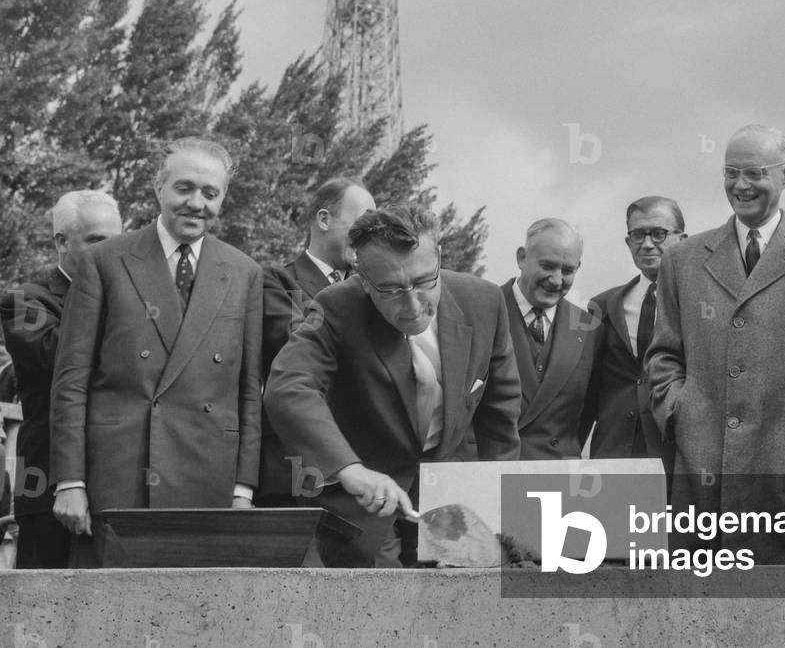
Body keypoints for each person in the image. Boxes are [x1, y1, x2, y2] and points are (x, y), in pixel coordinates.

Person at [647, 124, 785, 563]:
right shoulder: (683, 260)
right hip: (702, 473)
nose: (740, 185)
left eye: (754, 173)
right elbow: (664, 355)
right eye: (730, 173)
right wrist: (680, 411)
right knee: (700, 617)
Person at [264, 203, 521, 567]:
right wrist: (350, 471)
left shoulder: (485, 302)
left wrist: (495, 512)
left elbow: (501, 413)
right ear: (364, 280)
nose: (413, 305)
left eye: (423, 282)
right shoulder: (335, 306)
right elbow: (289, 386)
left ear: (439, 257)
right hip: (362, 510)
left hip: (451, 502)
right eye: (391, 289)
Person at [50, 137, 263, 539]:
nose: (196, 204)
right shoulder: (103, 262)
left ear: (223, 198)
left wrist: (243, 488)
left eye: (210, 193)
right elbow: (71, 381)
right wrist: (70, 481)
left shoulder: (244, 272)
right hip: (118, 480)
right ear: (158, 187)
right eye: (184, 188)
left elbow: (249, 391)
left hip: (208, 483)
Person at [1, 191, 122, 567]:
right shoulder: (23, 301)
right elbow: (66, 361)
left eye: (119, 240)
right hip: (48, 485)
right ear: (61, 241)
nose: (112, 251)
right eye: (97, 241)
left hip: (118, 482)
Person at [257, 177, 375, 506]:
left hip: (360, 471)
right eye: (362, 225)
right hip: (295, 474)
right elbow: (302, 348)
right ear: (323, 220)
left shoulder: (373, 292)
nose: (370, 239)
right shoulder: (276, 281)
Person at [585, 196, 686, 459]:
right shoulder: (603, 305)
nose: (648, 244)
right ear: (628, 242)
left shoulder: (700, 305)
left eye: (659, 234)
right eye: (639, 235)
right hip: (613, 453)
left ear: (683, 240)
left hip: (677, 452)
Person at [500, 219, 600, 459]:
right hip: (491, 476)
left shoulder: (589, 329)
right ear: (522, 258)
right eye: (547, 266)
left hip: (558, 478)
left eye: (567, 270)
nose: (556, 280)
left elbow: (587, 412)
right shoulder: (481, 312)